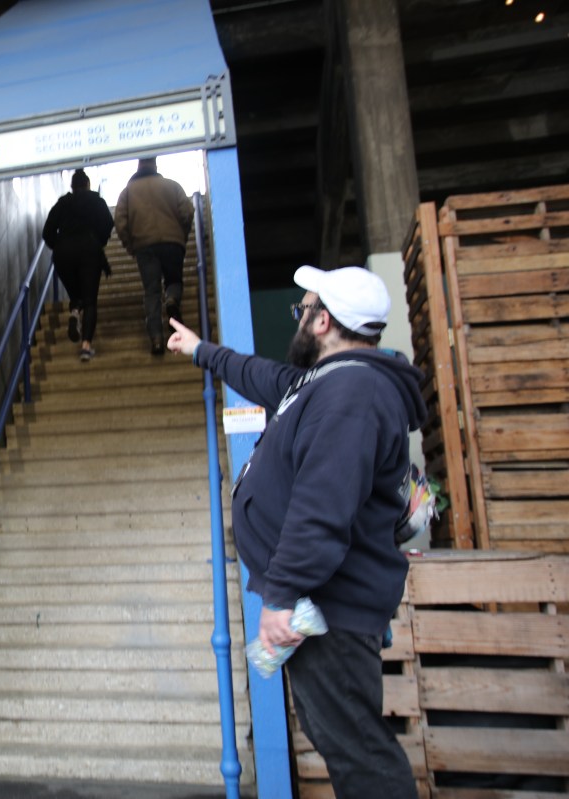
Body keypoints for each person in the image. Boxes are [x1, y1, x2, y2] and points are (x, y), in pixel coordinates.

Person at [166, 266, 424, 799]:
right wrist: (200, 350)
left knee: (359, 754)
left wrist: (283, 595)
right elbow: (258, 374)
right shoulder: (323, 382)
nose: (299, 318)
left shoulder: (353, 392)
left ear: (323, 320)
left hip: (328, 609)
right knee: (342, 740)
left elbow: (322, 505)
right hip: (317, 606)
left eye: (302, 309)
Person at [114, 157, 194, 356]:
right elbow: (187, 211)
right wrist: (181, 235)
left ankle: (157, 339)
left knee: (151, 291)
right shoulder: (172, 185)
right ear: (155, 166)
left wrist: (130, 245)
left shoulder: (127, 192)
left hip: (144, 246)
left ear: (138, 167)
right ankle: (172, 299)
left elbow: (120, 222)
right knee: (174, 280)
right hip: (172, 242)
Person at [42, 169, 114, 362]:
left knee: (76, 294)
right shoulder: (96, 201)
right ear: (88, 185)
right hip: (89, 250)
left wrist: (58, 244)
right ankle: (85, 347)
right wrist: (97, 241)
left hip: (63, 253)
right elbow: (108, 224)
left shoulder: (63, 203)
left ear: (72, 186)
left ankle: (75, 312)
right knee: (90, 300)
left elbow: (47, 231)